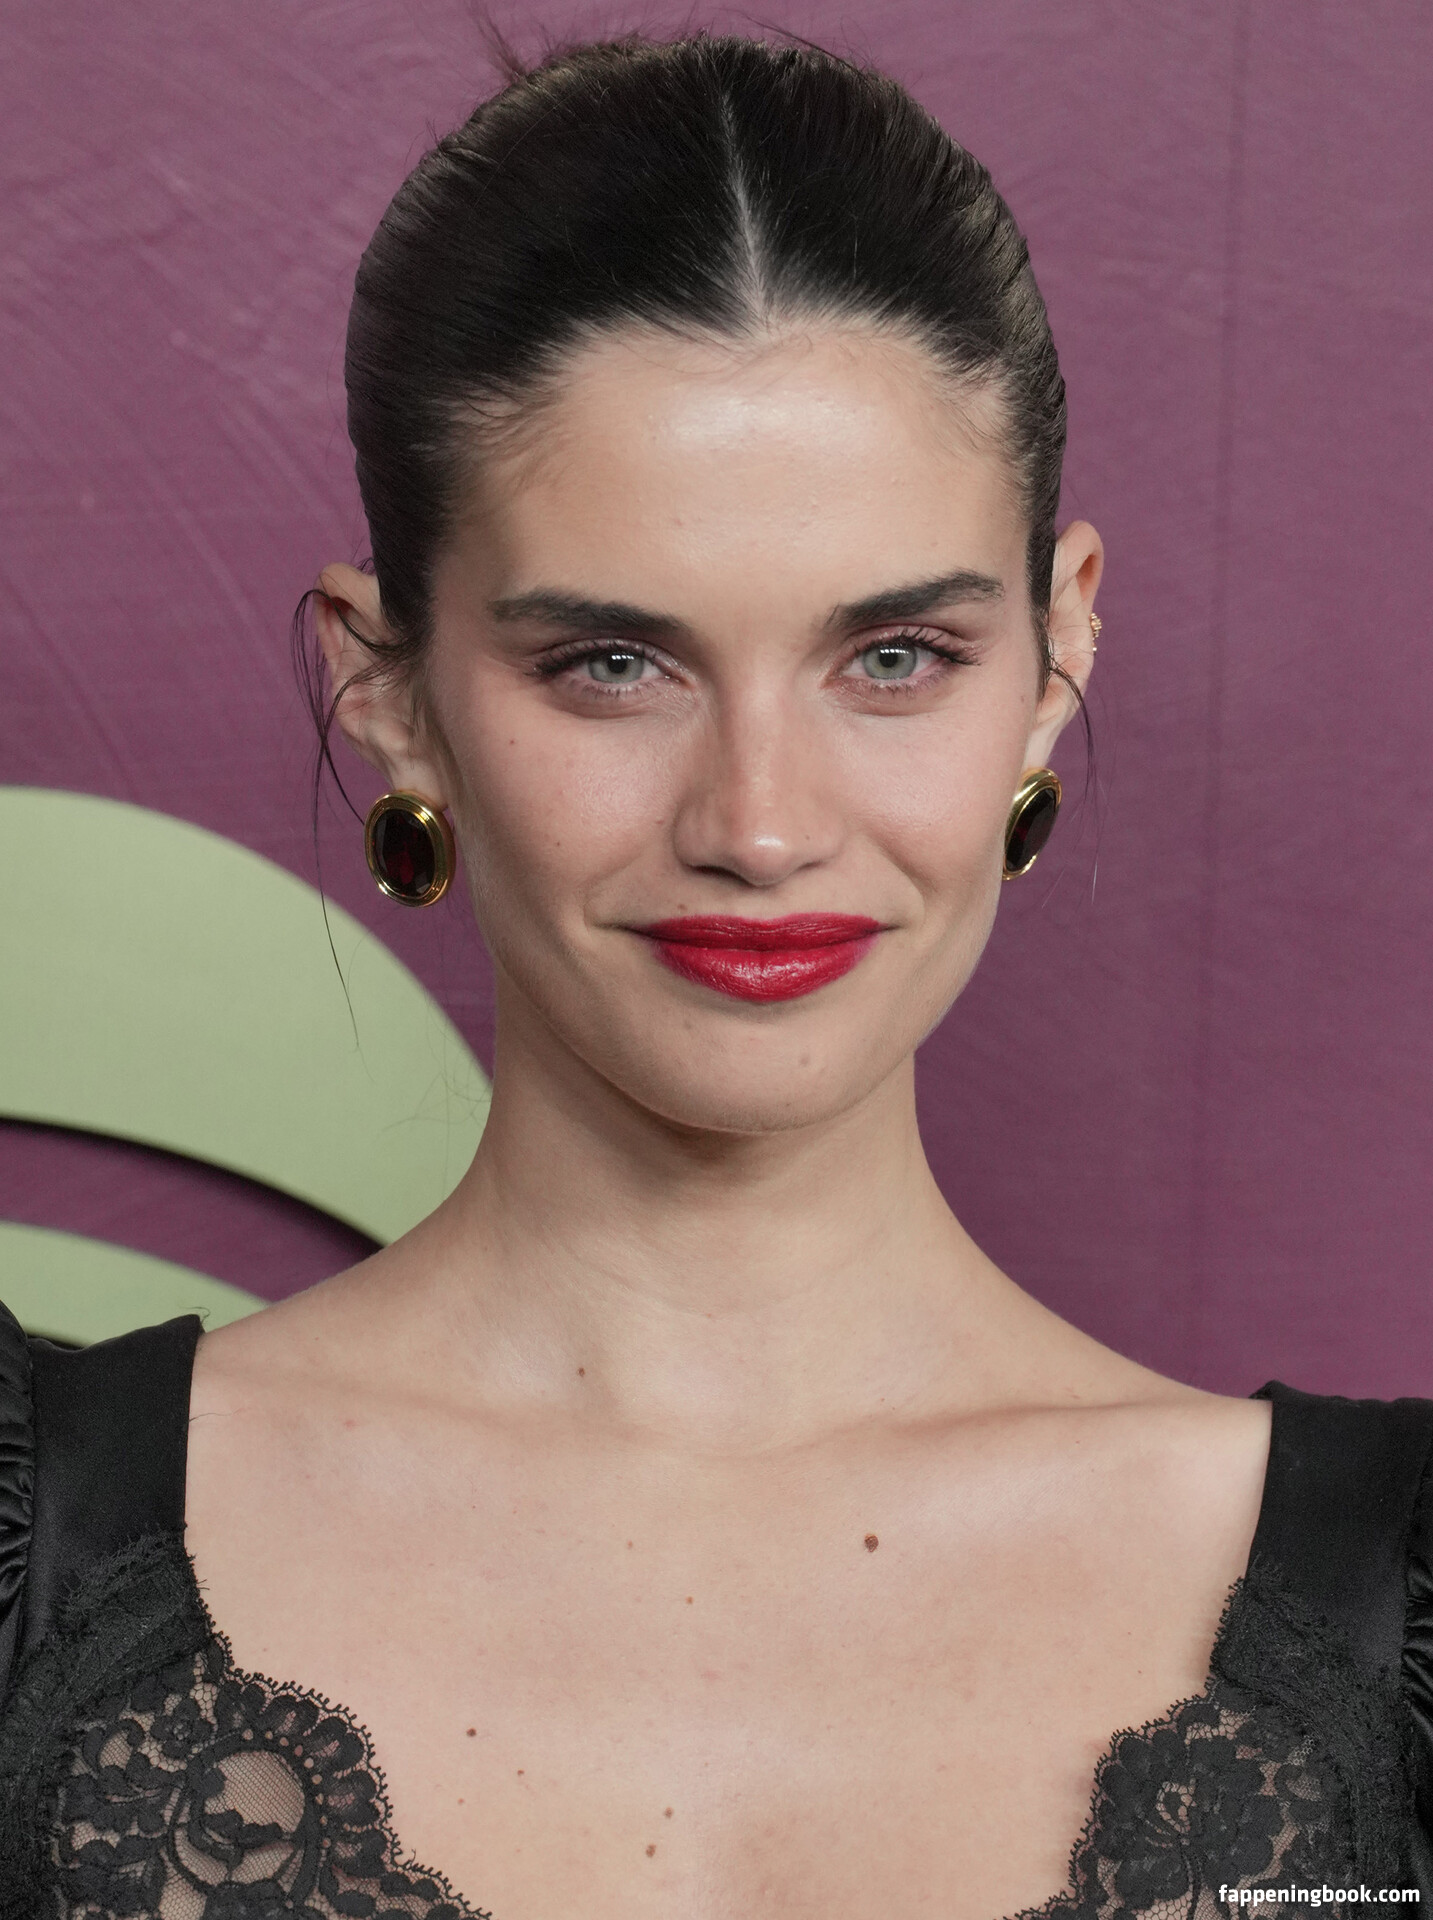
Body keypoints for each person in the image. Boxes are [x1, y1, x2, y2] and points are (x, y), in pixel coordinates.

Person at [1, 29, 1430, 1917]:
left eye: (894, 657)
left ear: (1056, 651)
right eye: (612, 665)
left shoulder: (1386, 1604)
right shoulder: (39, 1551)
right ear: (384, 683)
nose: (760, 826)